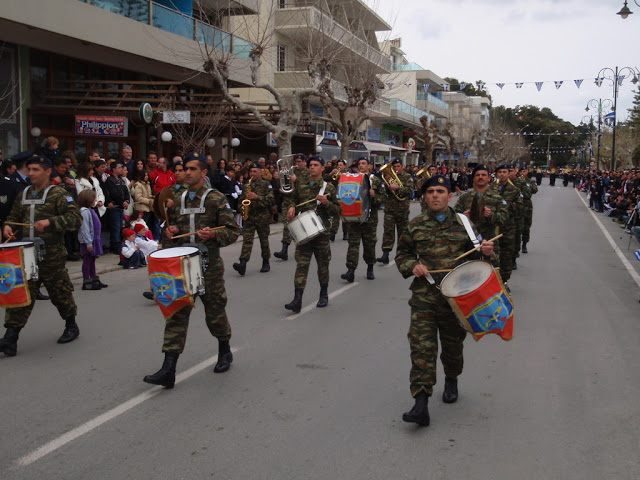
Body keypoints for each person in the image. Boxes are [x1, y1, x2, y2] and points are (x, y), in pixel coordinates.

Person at [395, 175, 495, 426]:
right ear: (425, 197)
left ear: (450, 196)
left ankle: (452, 377)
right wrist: (413, 265)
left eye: (441, 191)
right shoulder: (415, 225)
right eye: (430, 192)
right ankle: (421, 402)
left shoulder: (465, 224)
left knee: (452, 350)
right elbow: (403, 255)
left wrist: (488, 252)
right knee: (421, 349)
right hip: (425, 298)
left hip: (456, 300)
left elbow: (487, 261)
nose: (435, 195)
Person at [143, 152, 241, 388]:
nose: (187, 172)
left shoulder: (216, 198)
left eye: (192, 169)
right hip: (182, 267)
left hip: (209, 267)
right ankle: (168, 369)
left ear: (203, 173)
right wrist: (170, 233)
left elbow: (233, 232)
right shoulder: (177, 199)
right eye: (185, 168)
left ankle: (224, 349)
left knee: (214, 313)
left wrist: (215, 234)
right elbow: (170, 234)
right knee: (176, 314)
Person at [0, 156, 82, 357]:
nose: (31, 173)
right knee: (21, 294)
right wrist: (8, 225)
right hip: (26, 255)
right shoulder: (24, 194)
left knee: (59, 292)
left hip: (51, 255)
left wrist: (51, 222)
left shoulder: (59, 194)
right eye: (29, 169)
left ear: (47, 171)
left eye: (36, 169)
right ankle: (10, 338)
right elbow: (14, 216)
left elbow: (75, 218)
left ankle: (71, 324)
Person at [282, 155, 341, 312]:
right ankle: (297, 299)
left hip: (321, 232)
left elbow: (338, 211)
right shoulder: (301, 185)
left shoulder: (328, 188)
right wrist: (291, 207)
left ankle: (323, 294)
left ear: (322, 168)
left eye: (316, 165)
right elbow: (292, 200)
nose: (312, 167)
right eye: (310, 165)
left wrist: (327, 203)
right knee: (301, 265)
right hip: (304, 231)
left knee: (323, 265)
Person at [341, 157, 386, 282]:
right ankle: (350, 270)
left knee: (369, 244)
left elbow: (382, 199)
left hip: (370, 218)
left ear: (369, 166)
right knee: (353, 245)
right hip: (355, 217)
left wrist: (374, 196)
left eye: (363, 163)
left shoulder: (375, 181)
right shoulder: (352, 179)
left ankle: (370, 267)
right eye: (359, 163)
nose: (361, 166)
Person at [454, 164, 507, 265]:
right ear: (473, 179)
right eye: (477, 175)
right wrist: (463, 217)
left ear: (489, 178)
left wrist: (490, 215)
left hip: (489, 242)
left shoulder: (497, 198)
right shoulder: (465, 197)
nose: (480, 177)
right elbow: (453, 217)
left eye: (483, 175)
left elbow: (504, 218)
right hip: (467, 243)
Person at [233, 163, 274, 275]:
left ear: (261, 172)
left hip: (262, 216)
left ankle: (266, 262)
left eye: (255, 171)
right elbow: (241, 200)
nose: (252, 174)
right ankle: (243, 263)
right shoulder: (246, 185)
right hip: (249, 217)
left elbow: (270, 201)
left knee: (264, 241)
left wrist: (257, 197)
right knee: (247, 240)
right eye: (251, 172)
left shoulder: (267, 185)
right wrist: (242, 208)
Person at [489, 164, 522, 287]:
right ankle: (493, 281)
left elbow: (519, 208)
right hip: (492, 227)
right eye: (500, 172)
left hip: (507, 228)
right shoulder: (491, 189)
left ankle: (504, 280)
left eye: (504, 172)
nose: (502, 174)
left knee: (506, 254)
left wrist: (504, 207)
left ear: (509, 174)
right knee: (492, 255)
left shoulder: (514, 190)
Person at [273, 153, 309, 261]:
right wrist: (279, 180)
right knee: (287, 223)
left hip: (301, 202)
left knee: (301, 225)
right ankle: (284, 249)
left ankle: (304, 248)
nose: (296, 164)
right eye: (295, 162)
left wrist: (296, 180)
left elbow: (307, 188)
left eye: (299, 162)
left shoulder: (308, 173)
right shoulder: (290, 171)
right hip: (288, 201)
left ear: (304, 162)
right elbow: (285, 185)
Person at [378, 159, 413, 264]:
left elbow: (409, 191)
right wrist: (387, 184)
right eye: (394, 167)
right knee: (388, 232)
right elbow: (383, 192)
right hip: (390, 209)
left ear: (402, 166)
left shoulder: (407, 177)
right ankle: (385, 254)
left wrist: (397, 188)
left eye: (398, 166)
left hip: (402, 209)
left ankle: (401, 255)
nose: (396, 169)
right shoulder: (388, 177)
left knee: (402, 233)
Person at [77, 189, 106, 290]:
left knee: (92, 259)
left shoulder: (90, 210)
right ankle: (87, 281)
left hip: (95, 239)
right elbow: (84, 228)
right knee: (87, 260)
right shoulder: (84, 212)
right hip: (89, 241)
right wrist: (88, 243)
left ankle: (94, 279)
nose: (95, 200)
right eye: (94, 198)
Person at [103, 161, 131, 254]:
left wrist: (127, 201)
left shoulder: (121, 180)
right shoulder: (110, 181)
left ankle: (118, 244)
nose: (121, 169)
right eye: (119, 167)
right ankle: (115, 246)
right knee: (115, 227)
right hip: (115, 207)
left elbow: (126, 192)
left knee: (119, 227)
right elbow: (114, 194)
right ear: (114, 169)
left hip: (121, 207)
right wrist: (121, 201)